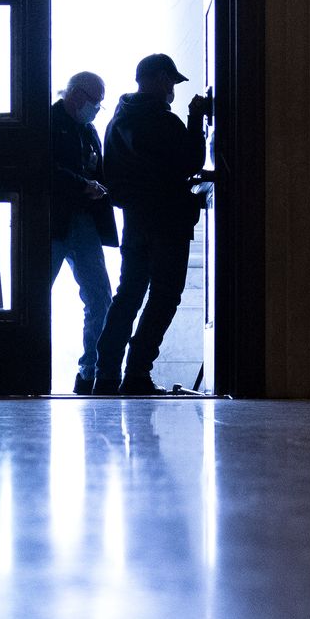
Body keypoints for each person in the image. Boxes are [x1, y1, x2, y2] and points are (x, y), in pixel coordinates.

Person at [92, 52, 208, 395]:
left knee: (128, 294)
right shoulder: (160, 118)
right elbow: (191, 160)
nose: (172, 89)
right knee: (165, 294)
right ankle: (138, 373)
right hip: (168, 220)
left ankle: (106, 374)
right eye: (170, 81)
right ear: (158, 78)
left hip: (134, 220)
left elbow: (109, 173)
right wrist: (195, 118)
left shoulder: (118, 120)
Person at [50, 71, 118, 394]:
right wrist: (82, 186)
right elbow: (44, 169)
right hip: (52, 223)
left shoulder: (90, 132)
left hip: (85, 223)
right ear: (76, 95)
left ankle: (89, 371)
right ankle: (28, 369)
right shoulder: (45, 123)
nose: (96, 109)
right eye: (94, 102)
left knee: (100, 297)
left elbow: (99, 171)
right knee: (36, 297)